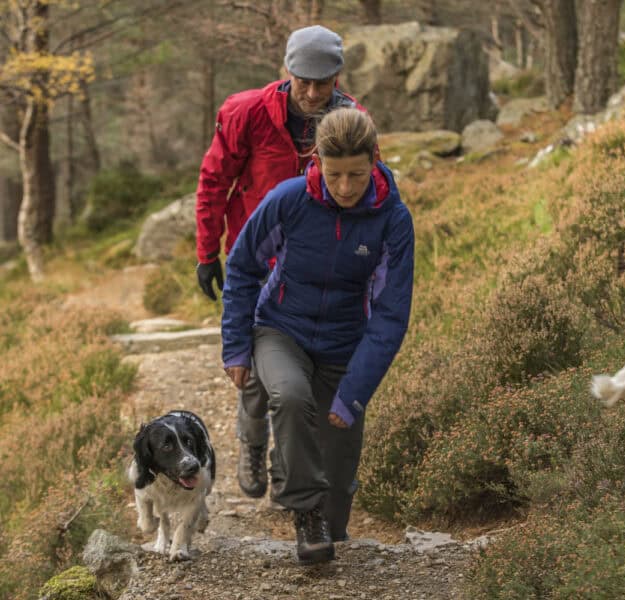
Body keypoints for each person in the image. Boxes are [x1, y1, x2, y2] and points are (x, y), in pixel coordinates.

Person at [220, 107, 414, 565]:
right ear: (317, 161)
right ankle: (305, 514)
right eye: (334, 174)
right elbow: (244, 267)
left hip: (346, 343)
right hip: (280, 328)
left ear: (374, 161)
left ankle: (325, 516)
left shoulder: (393, 220)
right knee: (288, 397)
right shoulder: (289, 200)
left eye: (356, 175)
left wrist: (354, 392)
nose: (345, 187)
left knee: (340, 478)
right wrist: (235, 345)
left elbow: (390, 315)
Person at [195, 25, 372, 500]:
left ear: (338, 74)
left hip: (317, 266)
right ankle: (252, 443)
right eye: (303, 81)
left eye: (324, 81)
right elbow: (215, 180)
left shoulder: (352, 120)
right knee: (253, 369)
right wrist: (207, 251)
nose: (313, 93)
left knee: (300, 374)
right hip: (255, 258)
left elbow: (368, 189)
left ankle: (282, 461)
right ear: (286, 72)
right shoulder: (246, 112)